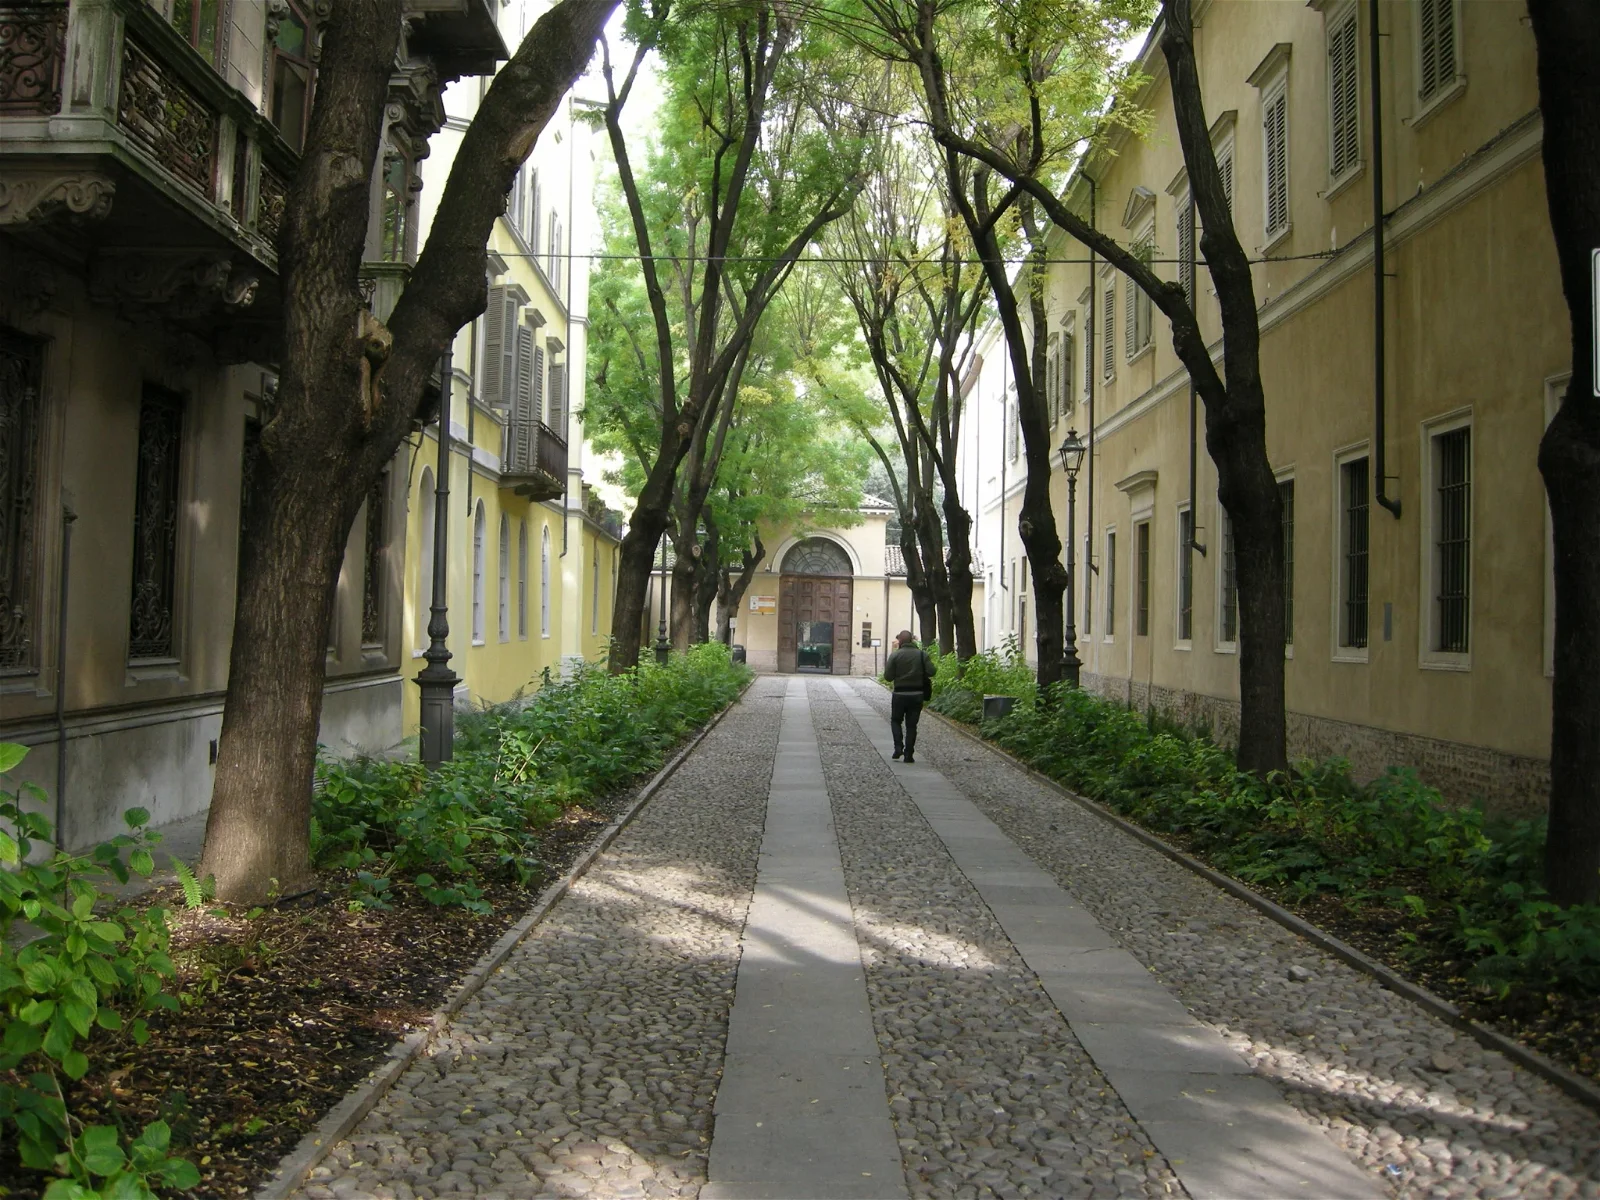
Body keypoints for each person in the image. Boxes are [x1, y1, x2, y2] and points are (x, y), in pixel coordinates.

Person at [882, 630, 935, 763]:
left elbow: (888, 677)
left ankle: (898, 747)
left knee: (896, 721)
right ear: (912, 640)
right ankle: (909, 754)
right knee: (912, 725)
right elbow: (932, 671)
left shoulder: (895, 656)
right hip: (917, 694)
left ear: (900, 641)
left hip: (899, 694)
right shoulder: (922, 655)